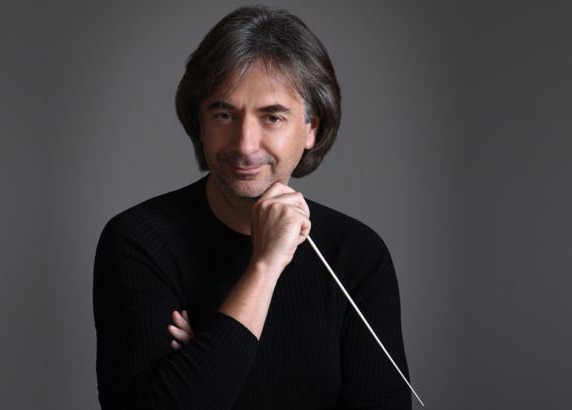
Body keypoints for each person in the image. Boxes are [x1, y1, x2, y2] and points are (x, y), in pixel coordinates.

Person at [93, 5, 411, 409]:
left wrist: (207, 360)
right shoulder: (138, 241)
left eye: (272, 117)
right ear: (200, 123)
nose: (245, 144)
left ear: (311, 128)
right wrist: (265, 266)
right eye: (224, 114)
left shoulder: (357, 255)